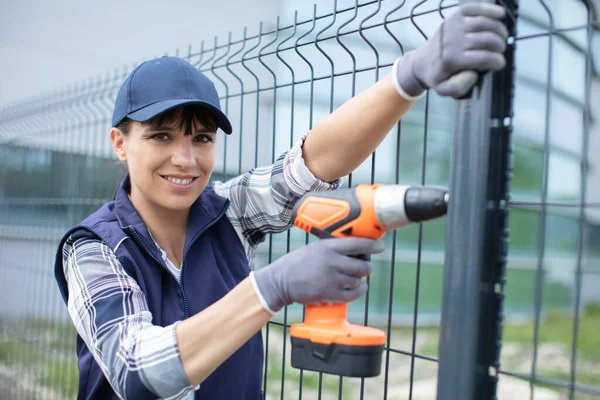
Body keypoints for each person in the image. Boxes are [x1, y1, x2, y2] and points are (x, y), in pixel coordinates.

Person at [54, 3, 508, 399]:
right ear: (119, 142)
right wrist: (270, 288)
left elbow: (312, 163)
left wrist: (406, 79)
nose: (186, 159)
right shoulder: (93, 249)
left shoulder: (226, 212)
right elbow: (136, 372)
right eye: (160, 136)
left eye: (203, 138)